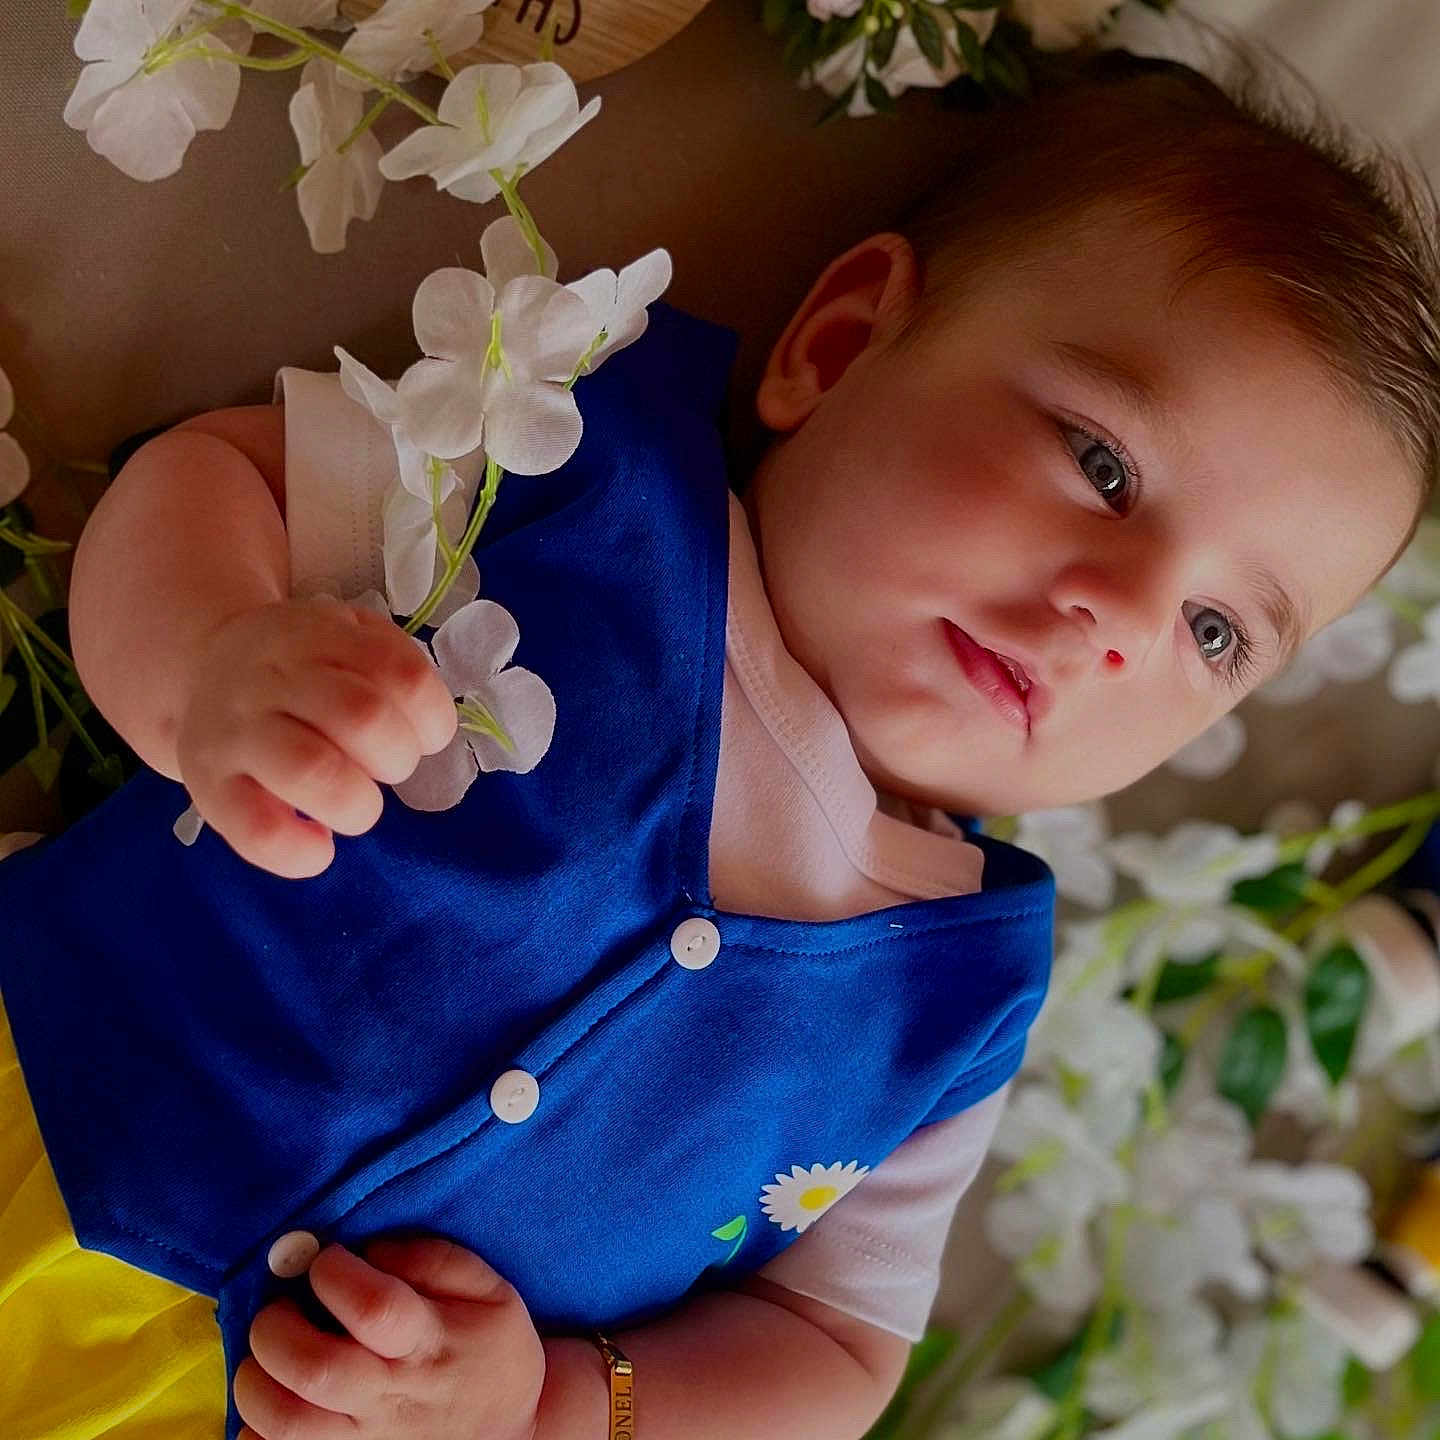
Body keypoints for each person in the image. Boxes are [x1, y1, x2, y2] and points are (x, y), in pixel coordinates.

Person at [2, 38, 1438, 1440]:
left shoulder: (962, 1003)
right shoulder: (578, 481)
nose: (1120, 616)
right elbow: (215, 478)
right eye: (1104, 463)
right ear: (836, 344)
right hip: (45, 1113)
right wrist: (209, 671)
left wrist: (557, 1403)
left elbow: (835, 1351)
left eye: (1216, 634)